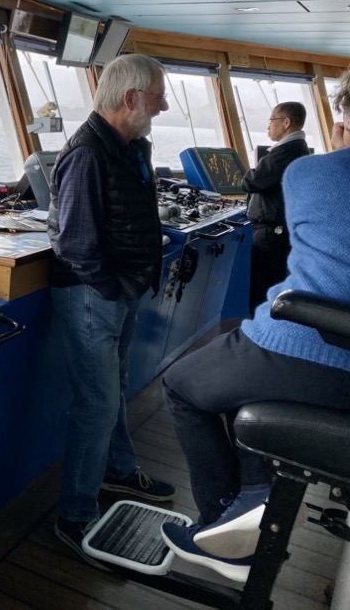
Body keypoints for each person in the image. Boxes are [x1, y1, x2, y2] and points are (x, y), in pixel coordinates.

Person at [161, 71, 350, 583]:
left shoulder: (311, 174)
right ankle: (250, 496)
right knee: (231, 381)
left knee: (181, 385)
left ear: (340, 123)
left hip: (311, 344)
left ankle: (222, 526)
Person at [48, 53, 176, 563]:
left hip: (118, 292)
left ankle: (119, 472)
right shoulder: (87, 153)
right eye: (157, 96)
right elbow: (74, 244)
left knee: (114, 389)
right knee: (96, 403)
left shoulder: (129, 146)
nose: (163, 106)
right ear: (130, 99)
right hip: (92, 295)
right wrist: (111, 288)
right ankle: (74, 515)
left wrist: (128, 285)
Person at [242, 101, 311, 313]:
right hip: (280, 233)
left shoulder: (285, 152)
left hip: (272, 235)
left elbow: (251, 181)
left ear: (286, 122)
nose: (268, 126)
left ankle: (259, 338)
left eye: (272, 120)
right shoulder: (297, 149)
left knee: (262, 290)